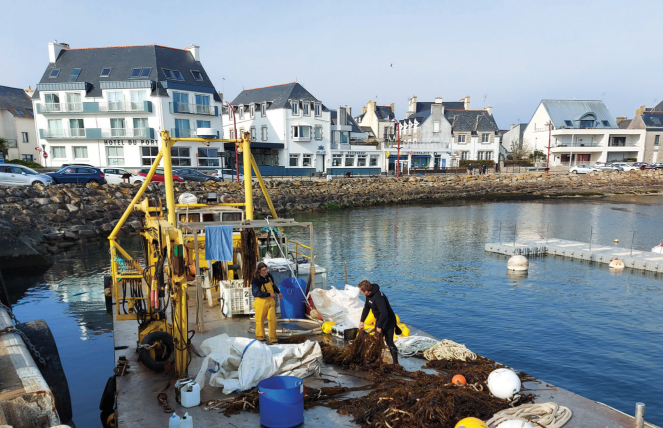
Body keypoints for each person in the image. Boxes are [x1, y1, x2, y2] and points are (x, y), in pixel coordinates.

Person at [357, 280, 401, 365]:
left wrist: (379, 326)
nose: (361, 293)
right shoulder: (369, 295)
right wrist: (362, 321)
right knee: (377, 340)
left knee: (389, 342)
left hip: (388, 320)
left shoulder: (378, 297)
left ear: (366, 291)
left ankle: (396, 363)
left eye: (361, 291)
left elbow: (384, 312)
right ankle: (376, 360)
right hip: (380, 319)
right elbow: (366, 308)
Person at [251, 262, 282, 344]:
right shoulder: (256, 280)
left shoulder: (269, 276)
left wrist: (278, 292)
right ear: (259, 271)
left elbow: (273, 285)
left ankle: (273, 339)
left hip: (270, 302)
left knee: (273, 320)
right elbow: (255, 293)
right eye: (263, 270)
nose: (265, 271)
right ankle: (261, 338)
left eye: (266, 269)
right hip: (261, 302)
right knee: (259, 320)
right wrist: (268, 294)